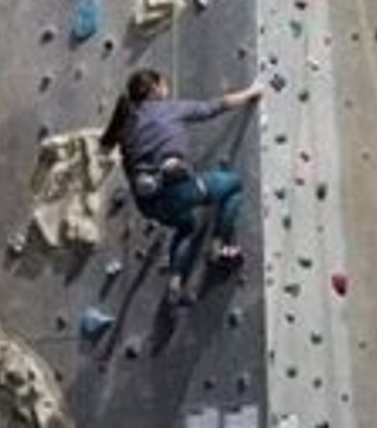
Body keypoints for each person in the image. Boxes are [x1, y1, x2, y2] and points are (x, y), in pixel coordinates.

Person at [99, 69, 264, 305]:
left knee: (186, 227)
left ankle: (176, 280)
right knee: (232, 184)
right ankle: (218, 246)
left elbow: (104, 150)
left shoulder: (125, 120)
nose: (167, 89)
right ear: (154, 88)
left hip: (147, 204)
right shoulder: (171, 109)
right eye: (164, 84)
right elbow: (214, 107)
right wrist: (253, 91)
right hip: (176, 192)